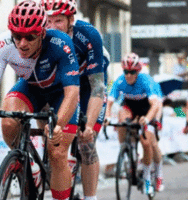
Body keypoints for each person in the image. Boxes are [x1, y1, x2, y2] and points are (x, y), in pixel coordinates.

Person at [0, 1, 80, 199]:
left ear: (42, 32)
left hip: (59, 94)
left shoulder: (61, 43)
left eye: (30, 37)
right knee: (8, 121)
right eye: (17, 36)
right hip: (31, 88)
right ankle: (26, 165)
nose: (22, 43)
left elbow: (72, 92)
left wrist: (59, 124)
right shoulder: (2, 44)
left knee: (57, 153)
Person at [42, 1, 108, 199]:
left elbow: (97, 87)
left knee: (86, 144)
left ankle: (90, 197)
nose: (52, 26)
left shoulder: (88, 35)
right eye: (48, 20)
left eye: (59, 21)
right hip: (62, 85)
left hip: (88, 83)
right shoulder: (42, 34)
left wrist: (88, 125)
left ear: (71, 20)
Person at [105, 53, 164, 194]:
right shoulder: (120, 81)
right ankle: (127, 151)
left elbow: (155, 106)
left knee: (148, 143)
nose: (129, 75)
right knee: (121, 118)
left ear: (138, 71)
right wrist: (107, 117)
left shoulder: (146, 81)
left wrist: (148, 119)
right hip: (130, 107)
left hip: (148, 109)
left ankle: (151, 177)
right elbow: (110, 101)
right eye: (126, 72)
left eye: (132, 72)